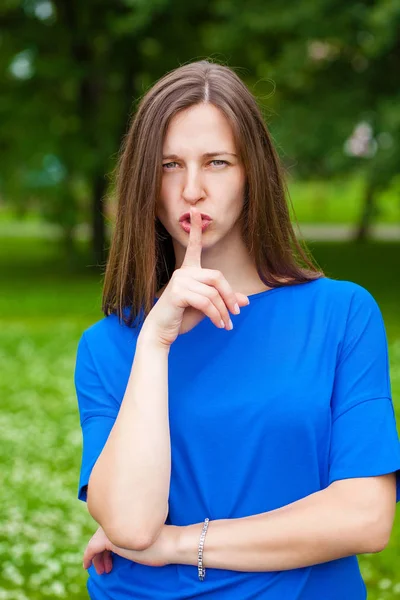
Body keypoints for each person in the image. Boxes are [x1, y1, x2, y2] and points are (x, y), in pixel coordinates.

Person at [74, 59, 400, 600]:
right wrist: (155, 341)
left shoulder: (341, 314)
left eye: (217, 162)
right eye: (169, 165)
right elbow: (131, 527)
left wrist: (180, 544)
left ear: (254, 173)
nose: (192, 189)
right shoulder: (110, 346)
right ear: (144, 183)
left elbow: (364, 518)